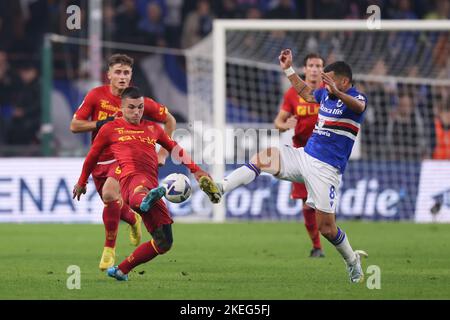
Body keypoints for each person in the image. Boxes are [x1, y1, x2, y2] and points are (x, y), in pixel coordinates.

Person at [199, 49, 369, 283]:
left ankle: (352, 261)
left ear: (344, 81)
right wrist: (288, 69)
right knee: (265, 156)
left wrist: (338, 92)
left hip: (326, 170)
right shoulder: (325, 95)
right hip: (304, 157)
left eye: (328, 79)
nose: (324, 82)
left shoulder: (357, 99)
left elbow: (359, 108)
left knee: (327, 229)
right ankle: (221, 187)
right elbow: (306, 93)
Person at [73, 86, 211, 281]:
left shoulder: (153, 128)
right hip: (130, 179)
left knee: (164, 242)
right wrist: (81, 181)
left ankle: (120, 270)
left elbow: (176, 148)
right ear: (121, 108)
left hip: (151, 183)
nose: (136, 112)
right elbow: (92, 156)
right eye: (131, 108)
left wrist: (197, 170)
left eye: (140, 108)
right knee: (139, 192)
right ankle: (146, 198)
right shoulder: (110, 129)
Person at [70, 54, 177, 271]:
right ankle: (132, 219)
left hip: (126, 159)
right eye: (117, 72)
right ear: (108, 74)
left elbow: (169, 120)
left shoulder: (137, 101)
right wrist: (102, 123)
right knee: (112, 203)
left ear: (131, 76)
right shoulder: (96, 96)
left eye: (126, 72)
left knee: (110, 194)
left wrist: (163, 153)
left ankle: (109, 250)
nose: (122, 77)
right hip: (100, 160)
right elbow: (75, 125)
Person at [274, 53, 325, 258]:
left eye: (318, 65)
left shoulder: (328, 93)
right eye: (311, 65)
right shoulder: (292, 94)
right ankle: (317, 246)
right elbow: (278, 122)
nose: (314, 69)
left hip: (323, 153)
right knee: (306, 203)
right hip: (301, 153)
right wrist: (285, 125)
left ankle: (333, 239)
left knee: (322, 204)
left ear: (323, 70)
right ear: (304, 69)